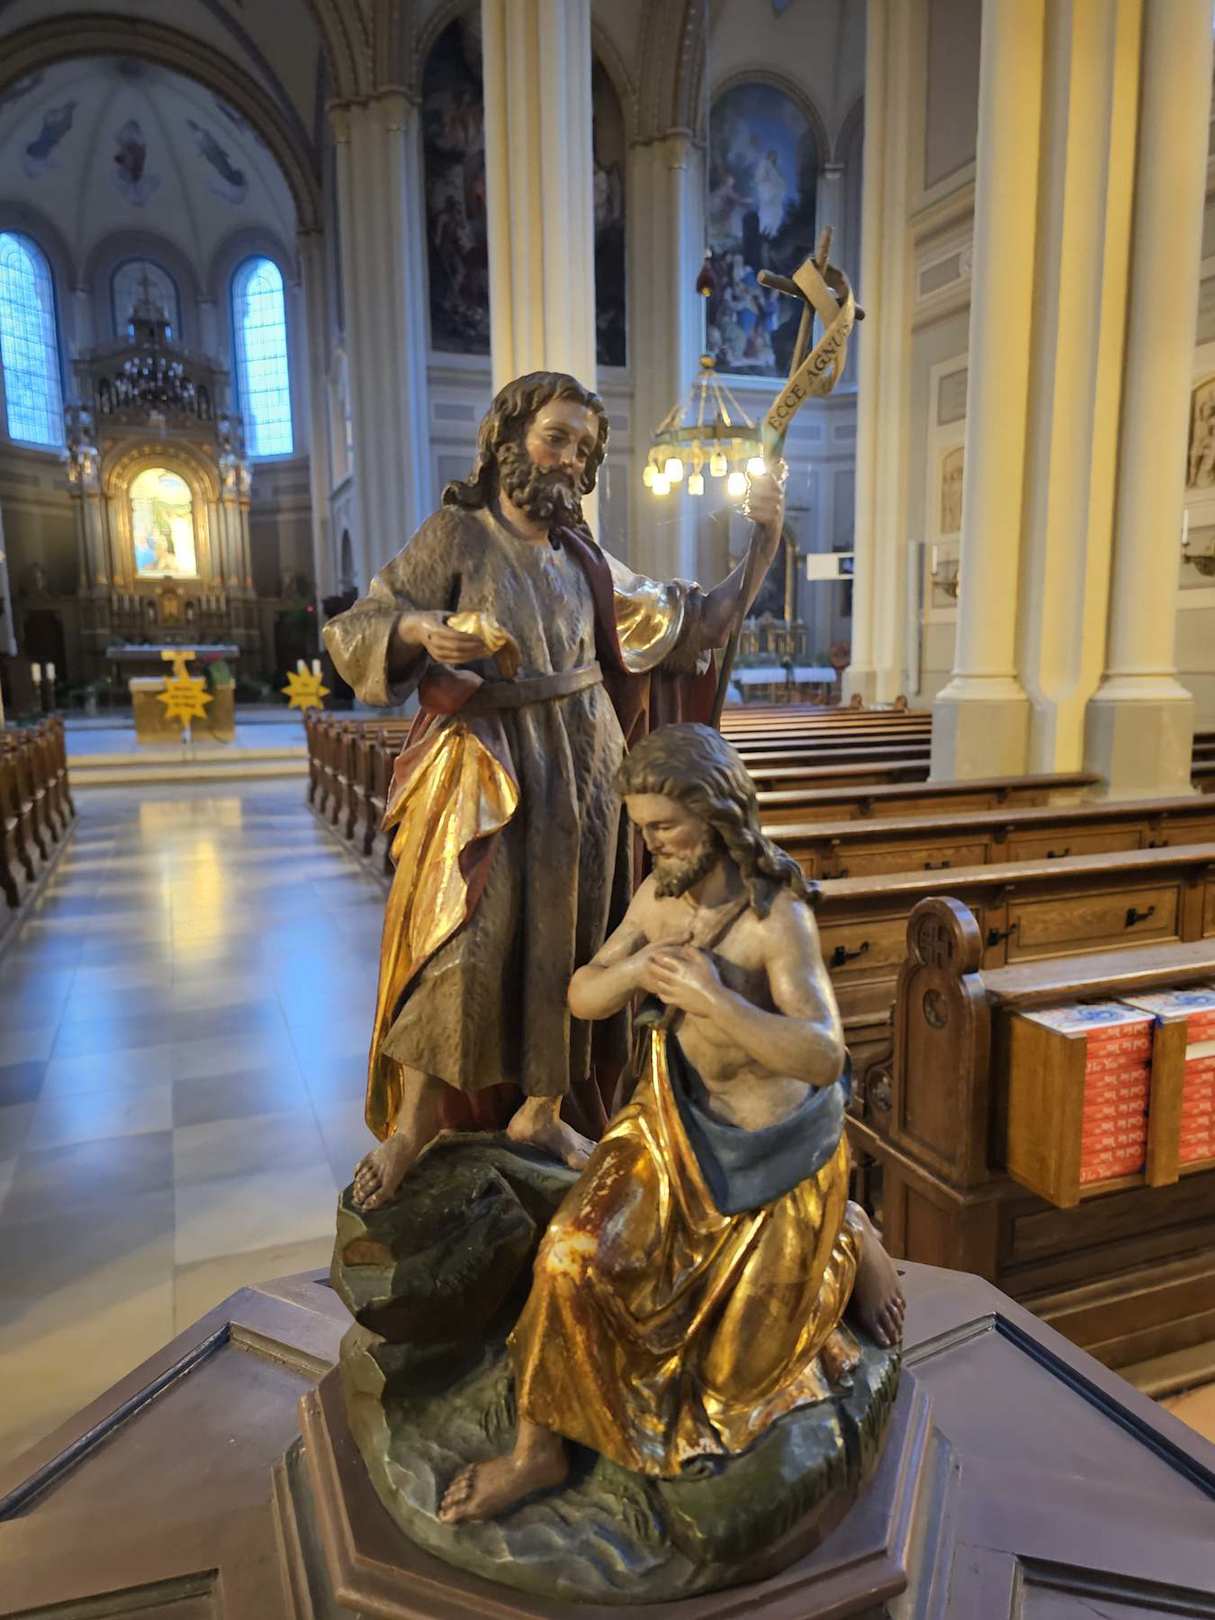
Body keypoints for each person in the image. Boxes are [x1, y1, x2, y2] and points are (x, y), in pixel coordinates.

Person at [323, 372, 787, 1208]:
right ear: (508, 440)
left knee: (573, 942)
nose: (570, 459)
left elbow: (703, 624)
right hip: (485, 767)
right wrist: (420, 629)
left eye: (583, 447)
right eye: (555, 438)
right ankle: (413, 1125)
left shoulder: (585, 559)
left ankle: (541, 1111)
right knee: (454, 946)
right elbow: (357, 626)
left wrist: (762, 541)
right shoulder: (457, 535)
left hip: (583, 767)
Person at [438, 723, 905, 1524]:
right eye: (643, 828)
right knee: (568, 1256)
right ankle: (535, 1451)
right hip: (669, 1127)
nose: (650, 844)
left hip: (767, 1160)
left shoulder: (774, 917)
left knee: (735, 1384)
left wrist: (712, 1000)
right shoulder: (657, 899)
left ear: (718, 815)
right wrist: (634, 971)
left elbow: (823, 1054)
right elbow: (583, 995)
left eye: (664, 827)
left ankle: (843, 1236)